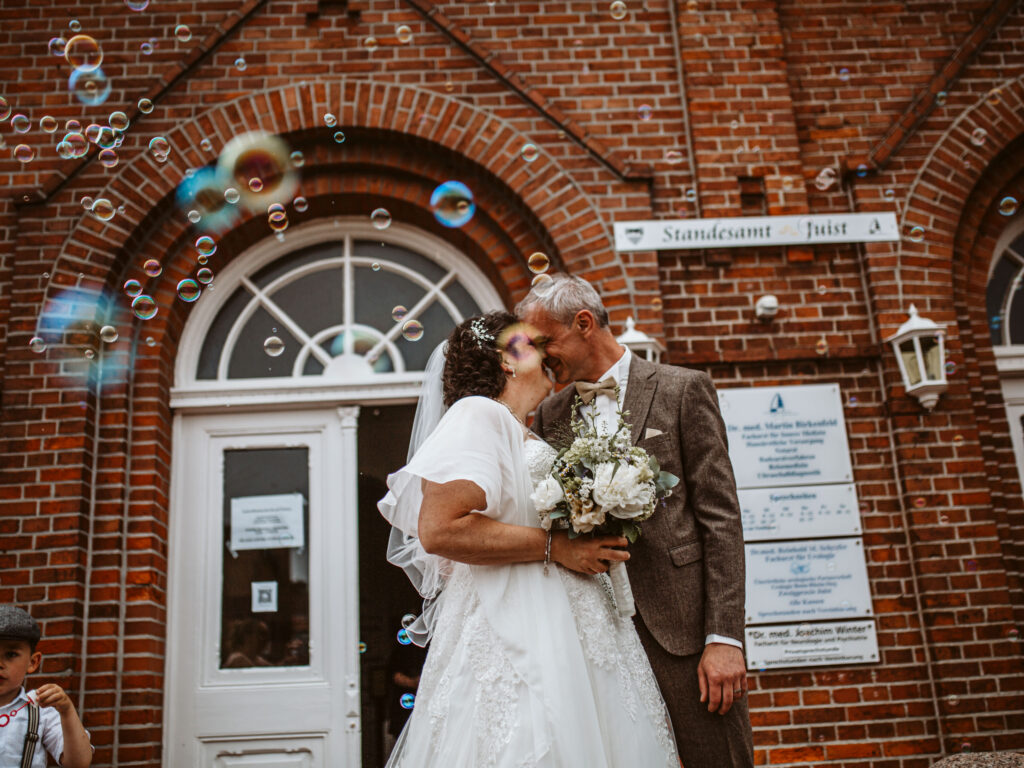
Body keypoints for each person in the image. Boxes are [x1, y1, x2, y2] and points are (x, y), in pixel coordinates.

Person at [378, 311, 679, 767]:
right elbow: (439, 530)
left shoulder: (516, 426)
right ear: (507, 359)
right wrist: (558, 546)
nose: (548, 352)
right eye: (534, 343)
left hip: (567, 621)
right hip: (519, 625)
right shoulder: (477, 414)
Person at [518, 274, 755, 767]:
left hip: (684, 633)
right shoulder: (549, 415)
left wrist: (724, 639)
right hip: (596, 636)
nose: (540, 357)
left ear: (584, 323)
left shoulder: (682, 389)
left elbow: (721, 519)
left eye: (545, 342)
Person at [0, 604, 93, 768]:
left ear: (32, 662)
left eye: (11, 654)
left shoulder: (41, 710)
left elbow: (78, 763)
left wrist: (66, 710)